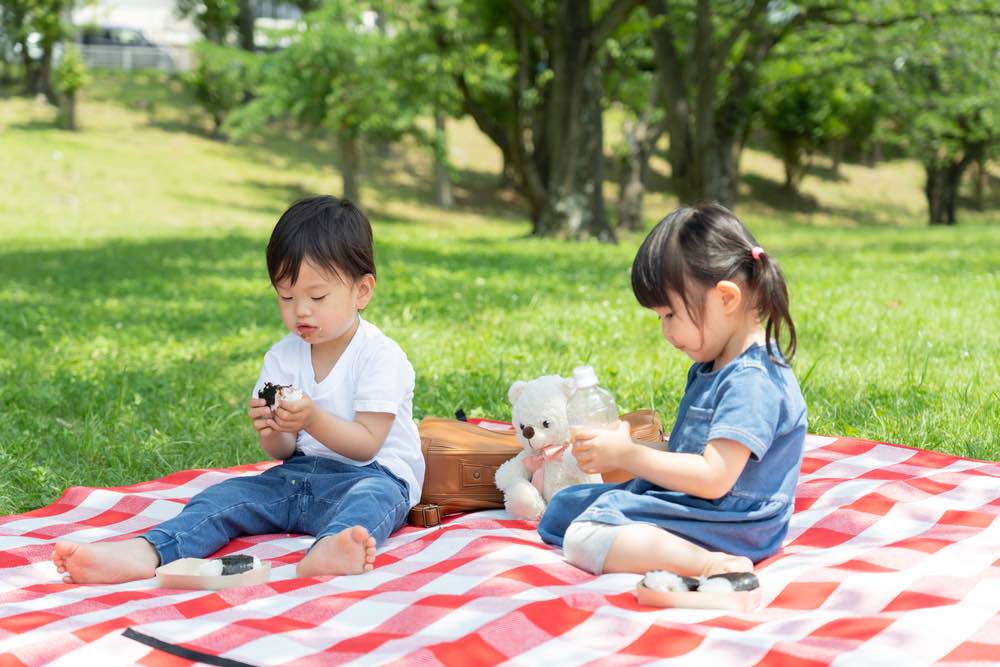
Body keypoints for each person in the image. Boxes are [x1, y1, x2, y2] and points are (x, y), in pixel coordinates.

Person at [53, 195, 423, 584]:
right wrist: (272, 429)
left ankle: (332, 547)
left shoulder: (380, 356)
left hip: (372, 474)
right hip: (299, 477)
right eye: (286, 296)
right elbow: (280, 453)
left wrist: (311, 417)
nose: (300, 311)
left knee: (371, 502)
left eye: (317, 297)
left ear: (362, 291)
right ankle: (148, 550)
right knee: (222, 497)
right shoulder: (282, 358)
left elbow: (366, 444)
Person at [539, 202, 807, 579]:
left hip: (734, 525)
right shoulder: (715, 365)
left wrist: (631, 457)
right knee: (566, 507)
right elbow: (689, 453)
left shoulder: (753, 380)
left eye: (670, 315)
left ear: (726, 298)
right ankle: (652, 541)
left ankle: (711, 564)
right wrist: (623, 451)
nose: (666, 332)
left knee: (584, 536)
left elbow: (714, 477)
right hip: (703, 507)